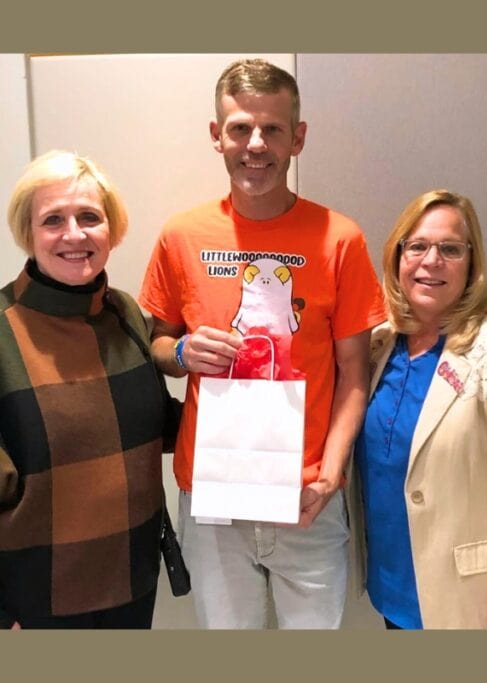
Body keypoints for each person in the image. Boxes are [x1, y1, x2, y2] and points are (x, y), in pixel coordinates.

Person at [139, 58, 386, 629]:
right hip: (213, 495)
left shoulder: (340, 238)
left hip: (306, 496)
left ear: (297, 138)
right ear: (216, 137)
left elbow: (354, 373)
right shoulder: (181, 235)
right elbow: (156, 344)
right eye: (240, 128)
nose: (256, 144)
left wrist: (330, 472)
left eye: (273, 128)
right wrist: (180, 354)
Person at [0, 151, 178, 629]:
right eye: (53, 219)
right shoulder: (2, 332)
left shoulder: (126, 314)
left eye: (89, 217)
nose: (74, 234)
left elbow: (158, 426)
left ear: (111, 229)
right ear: (28, 232)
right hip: (35, 602)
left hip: (132, 582)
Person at [346, 190, 487, 629]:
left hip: (470, 597)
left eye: (450, 249)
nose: (431, 260)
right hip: (393, 584)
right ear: (397, 257)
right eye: (416, 246)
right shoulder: (377, 345)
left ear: (471, 263)